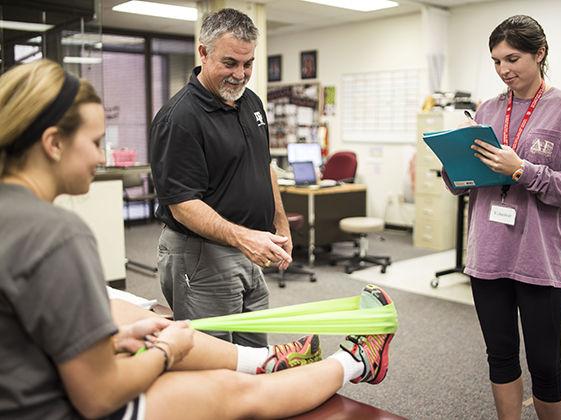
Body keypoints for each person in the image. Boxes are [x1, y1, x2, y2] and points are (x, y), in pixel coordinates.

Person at [0, 59, 395, 419]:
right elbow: (100, 395)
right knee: (229, 389)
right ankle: (356, 361)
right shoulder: (56, 232)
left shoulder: (16, 216)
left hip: (35, 381)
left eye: (249, 63)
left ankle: (265, 360)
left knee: (171, 342)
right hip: (57, 406)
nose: (101, 158)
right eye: (95, 143)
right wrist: (167, 352)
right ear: (53, 143)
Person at [441, 15, 561, 420]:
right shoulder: (488, 108)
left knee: (546, 365)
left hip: (537, 258)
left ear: (539, 53)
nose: (503, 70)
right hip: (487, 256)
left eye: (512, 59)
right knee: (501, 356)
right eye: (496, 61)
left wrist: (521, 170)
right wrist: (453, 162)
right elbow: (461, 184)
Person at [150, 8, 291, 347]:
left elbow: (264, 167)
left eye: (248, 64)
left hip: (248, 247)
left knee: (253, 352)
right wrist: (243, 237)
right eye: (230, 63)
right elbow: (182, 203)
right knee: (213, 359)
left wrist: (279, 226)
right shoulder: (180, 118)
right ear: (203, 53)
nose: (240, 75)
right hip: (201, 254)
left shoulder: (251, 102)